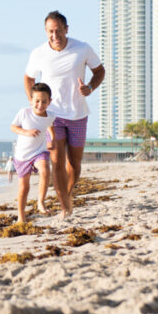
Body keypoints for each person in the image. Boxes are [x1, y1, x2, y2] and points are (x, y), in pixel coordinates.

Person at [23, 11, 105, 217]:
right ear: (45, 31)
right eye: (50, 31)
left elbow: (100, 71)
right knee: (57, 161)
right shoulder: (38, 53)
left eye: (58, 30)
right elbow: (28, 78)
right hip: (53, 116)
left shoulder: (82, 48)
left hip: (78, 114)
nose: (55, 35)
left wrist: (90, 88)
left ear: (66, 29)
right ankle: (65, 207)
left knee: (74, 165)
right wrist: (35, 103)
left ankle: (67, 195)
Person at [10, 82, 62, 222]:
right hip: (22, 156)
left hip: (40, 151)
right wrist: (26, 132)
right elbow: (13, 127)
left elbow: (50, 126)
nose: (40, 104)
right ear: (31, 100)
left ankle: (40, 202)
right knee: (24, 188)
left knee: (45, 170)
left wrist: (52, 138)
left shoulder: (50, 116)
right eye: (37, 101)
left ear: (49, 102)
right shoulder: (24, 113)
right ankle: (21, 217)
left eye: (44, 101)